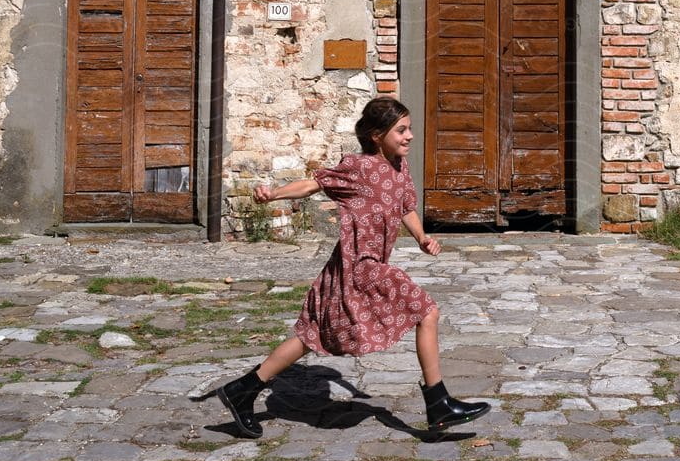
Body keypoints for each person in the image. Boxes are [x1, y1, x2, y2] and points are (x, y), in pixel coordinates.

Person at [210, 97, 490, 438]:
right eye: (401, 130)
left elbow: (406, 207)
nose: (410, 136)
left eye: (409, 129)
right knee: (426, 310)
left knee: (311, 335)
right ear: (376, 135)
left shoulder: (401, 167)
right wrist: (274, 195)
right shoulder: (358, 167)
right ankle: (438, 404)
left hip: (356, 266)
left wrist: (420, 237)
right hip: (359, 265)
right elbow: (314, 184)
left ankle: (242, 390)